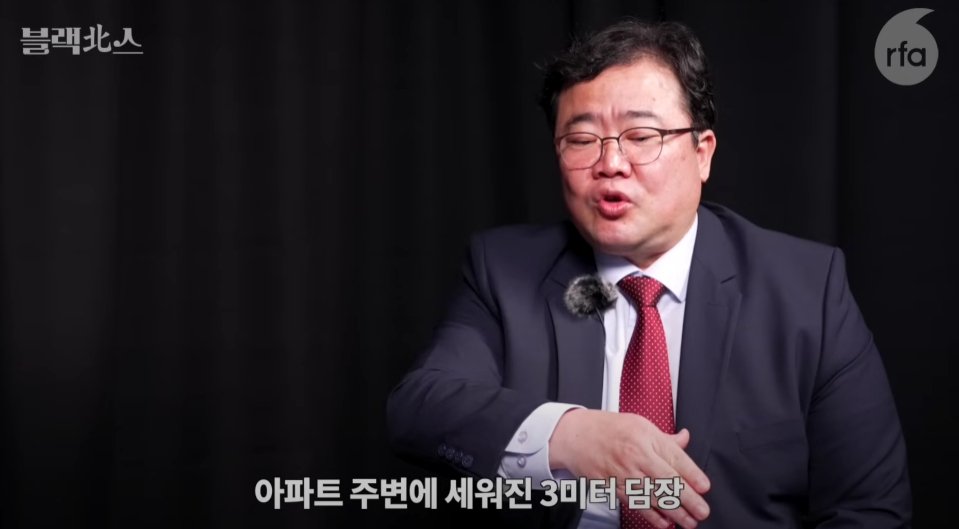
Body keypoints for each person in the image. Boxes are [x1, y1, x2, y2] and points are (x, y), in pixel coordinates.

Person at [387, 18, 911, 529]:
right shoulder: (504, 270)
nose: (610, 163)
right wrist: (571, 435)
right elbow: (418, 411)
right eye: (581, 139)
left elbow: (870, 510)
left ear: (702, 153)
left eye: (641, 136)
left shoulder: (806, 291)